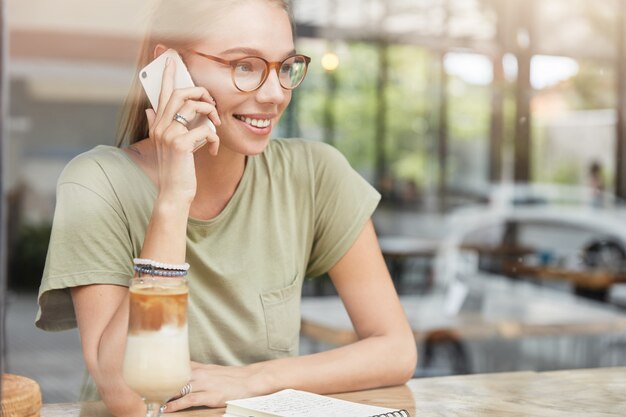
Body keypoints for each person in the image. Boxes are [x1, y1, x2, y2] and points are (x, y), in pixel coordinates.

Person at [35, 0, 417, 416]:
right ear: (170, 68)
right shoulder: (97, 182)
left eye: (285, 66)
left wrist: (255, 380)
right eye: (245, 66)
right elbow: (126, 396)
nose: (275, 94)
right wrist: (172, 201)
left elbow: (395, 350)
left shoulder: (315, 174)